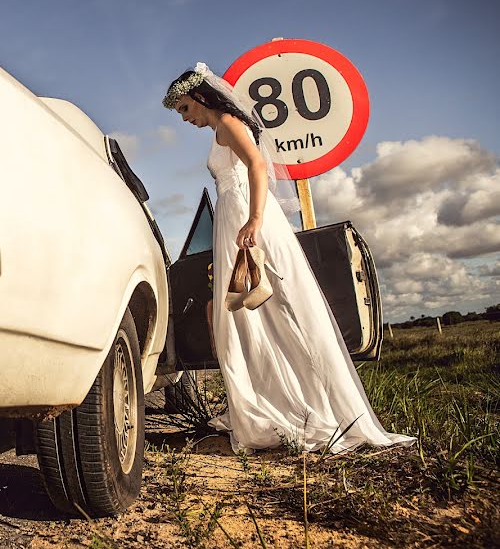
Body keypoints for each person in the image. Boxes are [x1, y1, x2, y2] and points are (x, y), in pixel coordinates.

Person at [162, 62, 416, 454]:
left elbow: (258, 166)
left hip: (247, 218)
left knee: (273, 308)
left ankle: (308, 406)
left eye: (183, 108)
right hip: (234, 220)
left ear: (198, 97)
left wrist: (254, 220)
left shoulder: (228, 122)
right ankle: (270, 404)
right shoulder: (219, 131)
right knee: (247, 315)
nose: (184, 118)